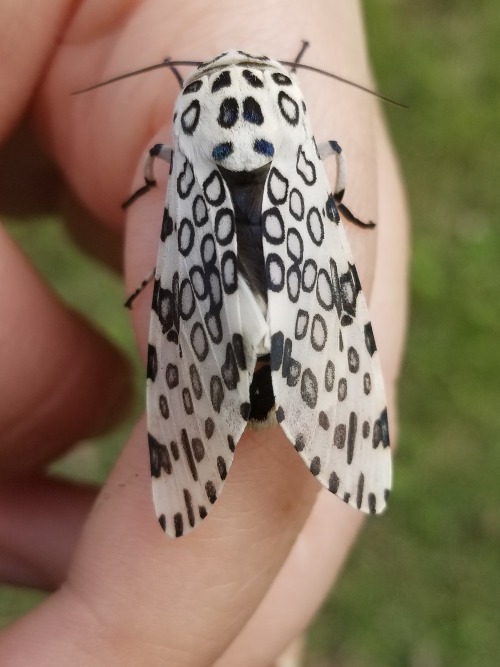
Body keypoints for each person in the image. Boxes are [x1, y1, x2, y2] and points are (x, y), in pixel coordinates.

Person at [0, 1, 408, 664]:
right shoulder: (296, 122)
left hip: (202, 245)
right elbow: (328, 152)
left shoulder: (181, 139)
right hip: (299, 236)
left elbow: (164, 161)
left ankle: (247, 399)